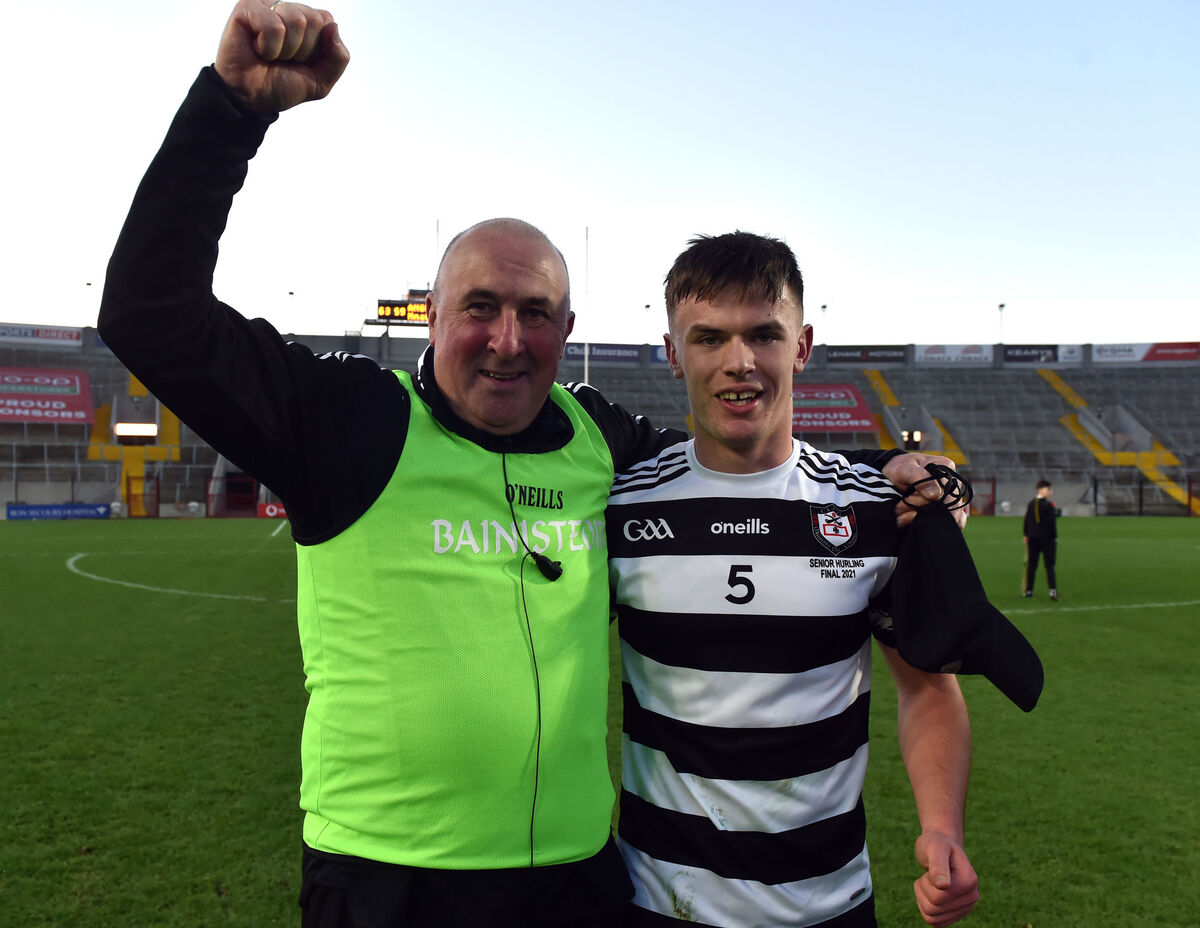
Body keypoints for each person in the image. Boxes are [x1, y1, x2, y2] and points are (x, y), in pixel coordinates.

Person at [98, 3, 961, 924]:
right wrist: (231, 110)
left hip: (578, 881)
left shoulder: (600, 439)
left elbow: (737, 453)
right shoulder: (345, 420)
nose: (507, 340)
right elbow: (150, 316)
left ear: (568, 329)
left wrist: (887, 468)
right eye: (480, 307)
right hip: (394, 883)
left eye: (536, 314)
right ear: (433, 315)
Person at [607, 232, 980, 928]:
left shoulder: (873, 511)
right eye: (709, 337)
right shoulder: (622, 510)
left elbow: (927, 688)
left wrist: (942, 827)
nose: (739, 362)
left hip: (827, 905)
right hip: (658, 903)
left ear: (801, 346)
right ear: (673, 352)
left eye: (764, 335)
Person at [1023, 479, 1059, 600]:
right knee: (1049, 565)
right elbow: (1051, 524)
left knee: (1032, 565)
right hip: (1047, 539)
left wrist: (1026, 534)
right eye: (1048, 489)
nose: (1050, 492)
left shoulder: (1031, 503)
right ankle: (1052, 590)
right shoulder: (1048, 505)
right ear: (1040, 489)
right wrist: (1054, 537)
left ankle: (1029, 591)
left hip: (1033, 538)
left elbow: (1026, 521)